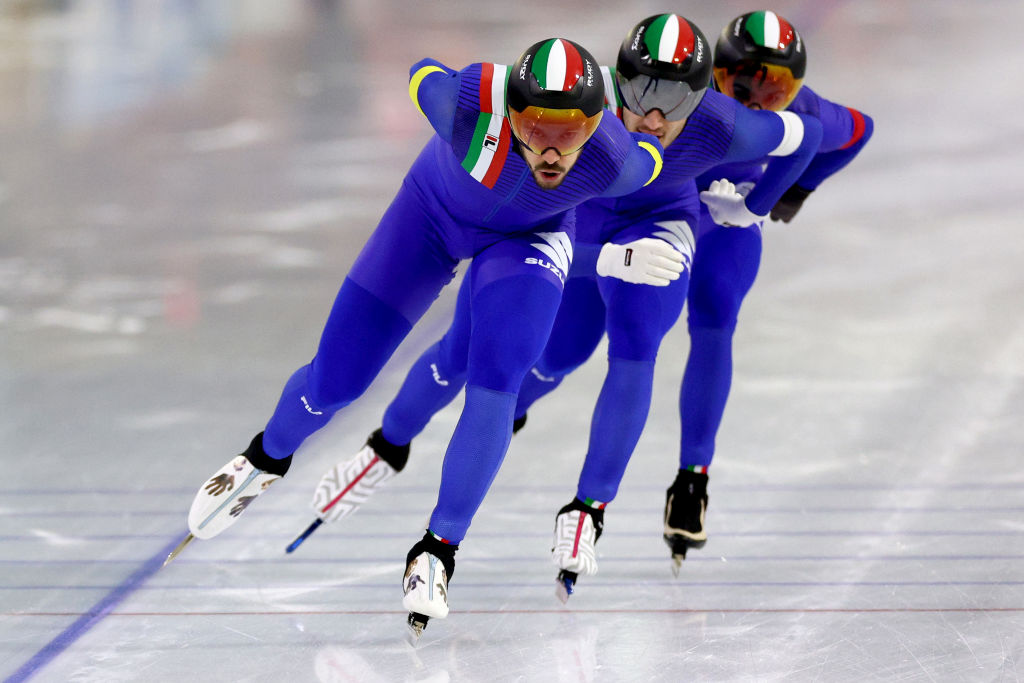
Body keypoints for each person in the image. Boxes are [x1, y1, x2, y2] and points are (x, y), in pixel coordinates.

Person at [291, 13, 827, 599]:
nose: (652, 115)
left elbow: (814, 137)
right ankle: (387, 445)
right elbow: (525, 229)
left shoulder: (724, 125)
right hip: (576, 225)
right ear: (615, 80)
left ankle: (588, 508)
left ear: (702, 99)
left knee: (632, 348)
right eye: (641, 90)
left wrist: (759, 206)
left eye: (674, 101)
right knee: (473, 353)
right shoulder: (573, 108)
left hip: (658, 224)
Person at [170, 37, 668, 640]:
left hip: (525, 243)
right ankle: (264, 458)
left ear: (597, 124)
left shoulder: (613, 161)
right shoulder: (471, 102)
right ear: (511, 111)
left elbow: (655, 155)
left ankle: (437, 549)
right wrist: (611, 260)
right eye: (538, 126)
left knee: (498, 375)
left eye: (574, 130)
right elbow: (421, 73)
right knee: (335, 383)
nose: (555, 149)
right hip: (429, 217)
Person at [662, 9, 873, 569]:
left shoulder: (803, 112)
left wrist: (799, 187)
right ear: (717, 75)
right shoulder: (684, 97)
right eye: (746, 83)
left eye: (777, 87)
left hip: (727, 229)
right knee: (588, 340)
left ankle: (692, 480)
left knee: (714, 324)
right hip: (660, 218)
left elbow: (858, 129)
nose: (759, 100)